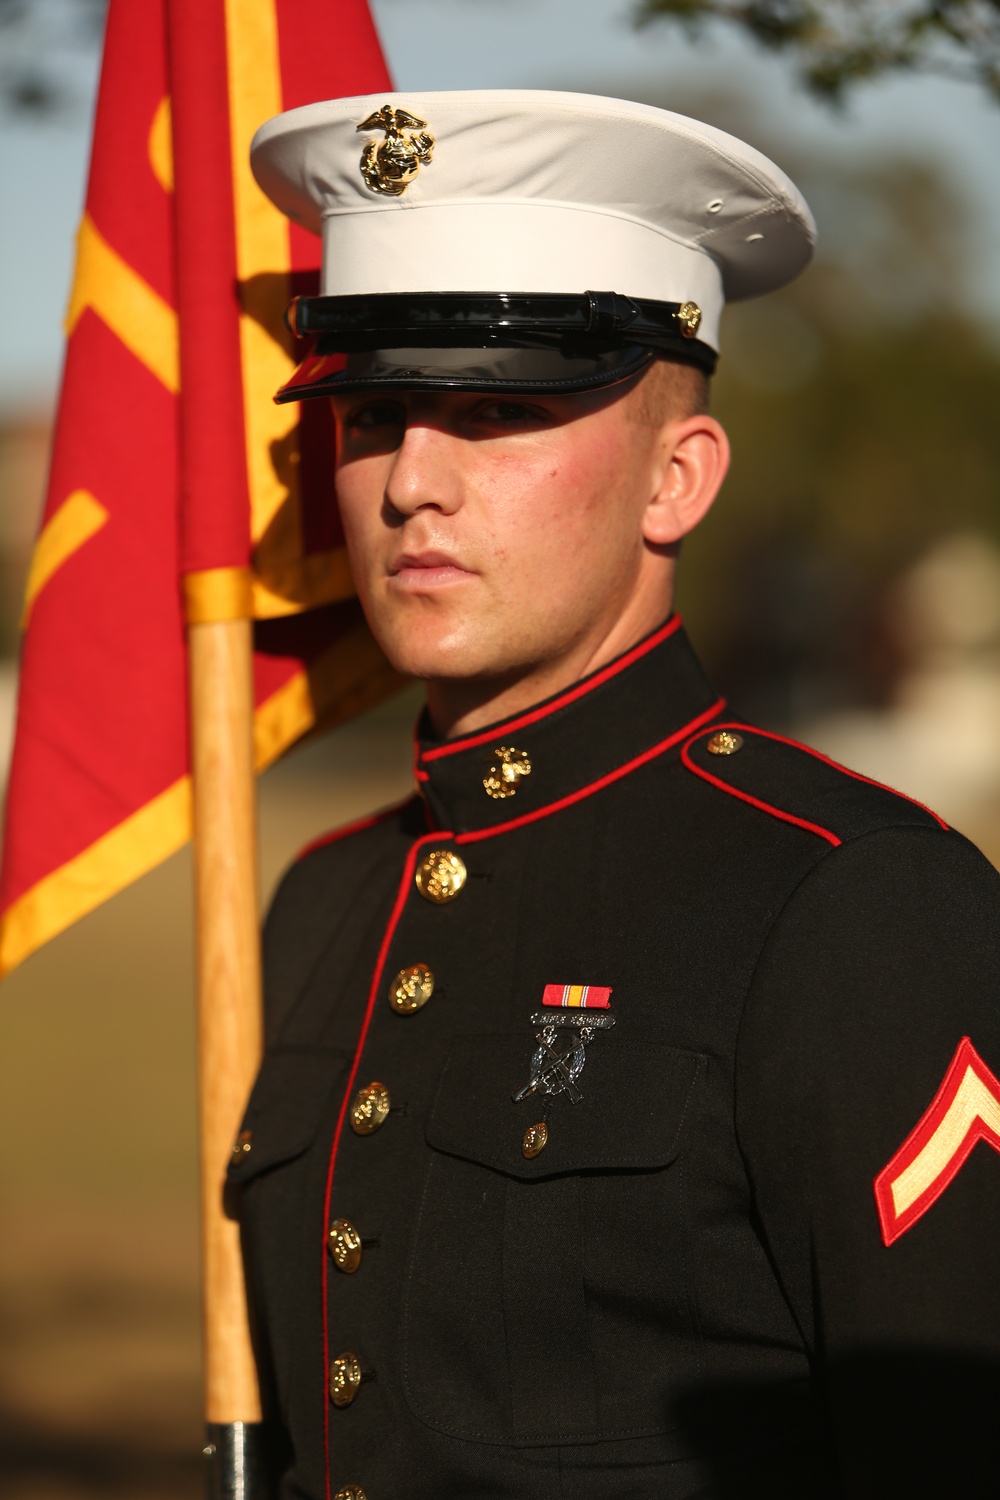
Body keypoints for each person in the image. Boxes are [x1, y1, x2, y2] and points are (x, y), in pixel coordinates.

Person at [230, 91, 1000, 1500]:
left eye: (496, 414)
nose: (411, 483)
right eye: (374, 414)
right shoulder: (320, 899)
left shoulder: (853, 899)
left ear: (678, 479)